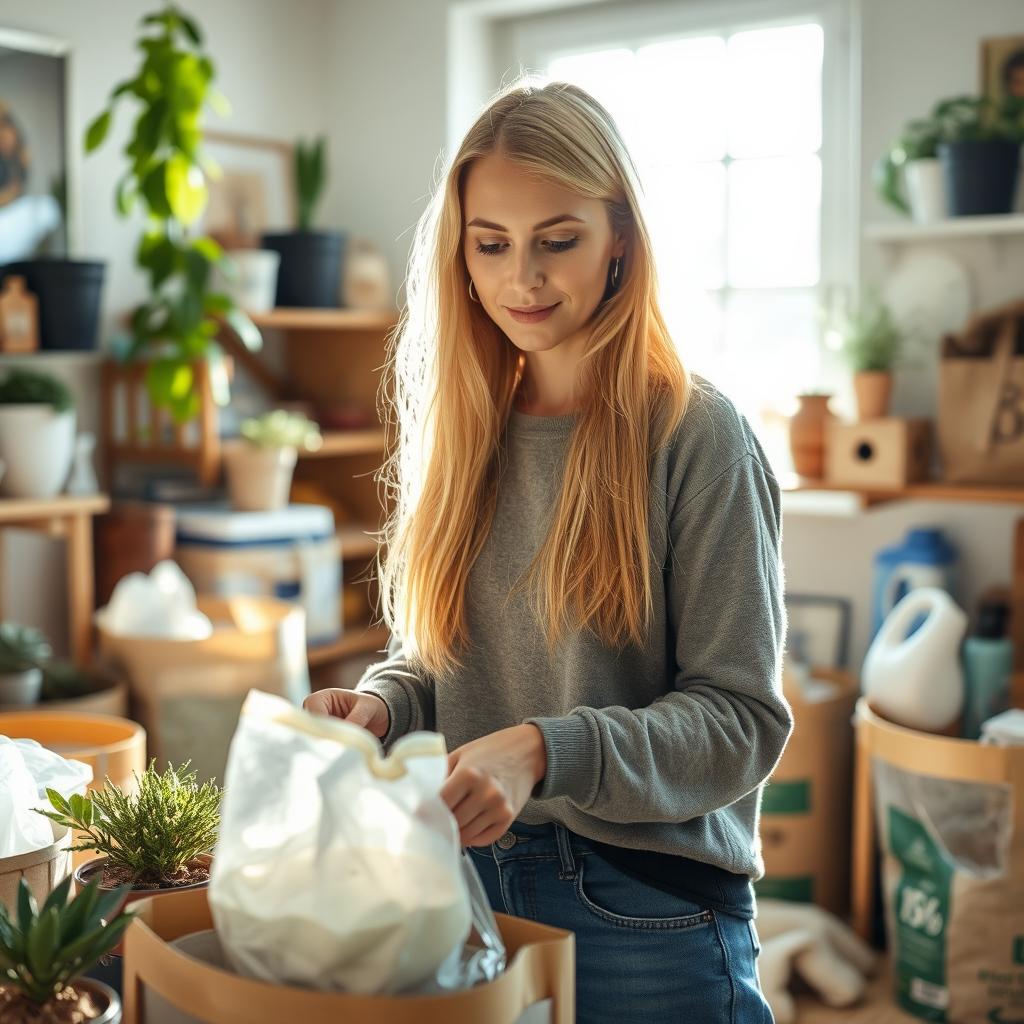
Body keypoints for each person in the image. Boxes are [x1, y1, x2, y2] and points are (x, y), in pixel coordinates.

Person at [305, 76, 792, 1023]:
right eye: (491, 245)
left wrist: (543, 752)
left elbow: (742, 721)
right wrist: (381, 703)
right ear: (461, 257)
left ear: (621, 237)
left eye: (557, 241)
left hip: (646, 905)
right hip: (464, 884)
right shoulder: (462, 432)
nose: (522, 279)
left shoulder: (697, 436)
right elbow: (444, 660)